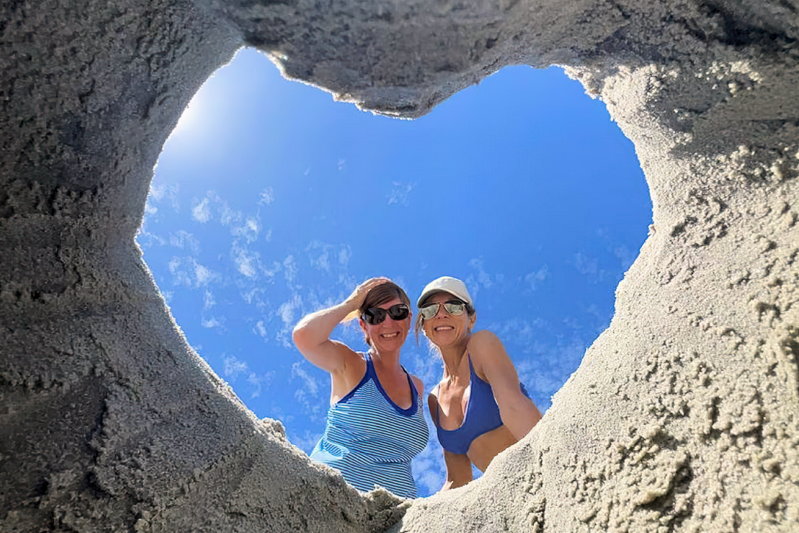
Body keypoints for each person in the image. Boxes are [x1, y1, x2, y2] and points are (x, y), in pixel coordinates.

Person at [292, 277, 428, 499]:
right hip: (331, 501)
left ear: (409, 318)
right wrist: (351, 303)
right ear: (364, 325)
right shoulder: (351, 364)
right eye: (375, 316)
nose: (388, 323)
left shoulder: (417, 386)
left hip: (394, 516)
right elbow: (304, 335)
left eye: (398, 312)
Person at [416, 276, 542, 491]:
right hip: (510, 499)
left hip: (540, 472)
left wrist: (552, 462)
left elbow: (514, 406)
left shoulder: (481, 344)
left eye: (454, 307)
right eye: (430, 310)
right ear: (424, 326)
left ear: (471, 319)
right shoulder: (434, 400)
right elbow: (458, 479)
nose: (442, 314)